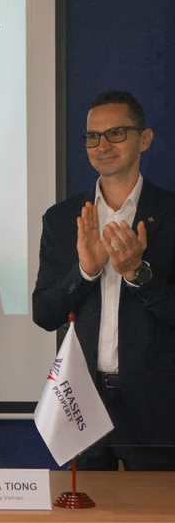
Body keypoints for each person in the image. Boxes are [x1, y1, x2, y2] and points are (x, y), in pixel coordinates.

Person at [33, 90, 175, 470]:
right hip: (82, 400)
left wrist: (138, 274)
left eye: (116, 133)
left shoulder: (170, 214)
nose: (102, 145)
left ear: (143, 139)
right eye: (92, 136)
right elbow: (45, 313)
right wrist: (86, 272)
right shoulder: (62, 219)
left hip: (158, 406)